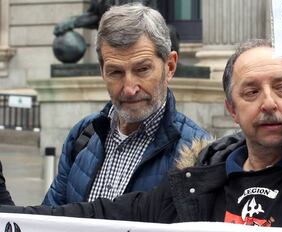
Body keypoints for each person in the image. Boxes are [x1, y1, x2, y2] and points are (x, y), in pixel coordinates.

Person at [0, 39, 282, 230]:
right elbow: (96, 216)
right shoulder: (197, 181)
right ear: (232, 109)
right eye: (251, 92)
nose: (269, 102)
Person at [42, 4, 210, 206]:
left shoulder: (199, 151)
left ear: (170, 66)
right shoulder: (82, 135)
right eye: (116, 72)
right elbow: (49, 217)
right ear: (102, 71)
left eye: (142, 69)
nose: (129, 88)